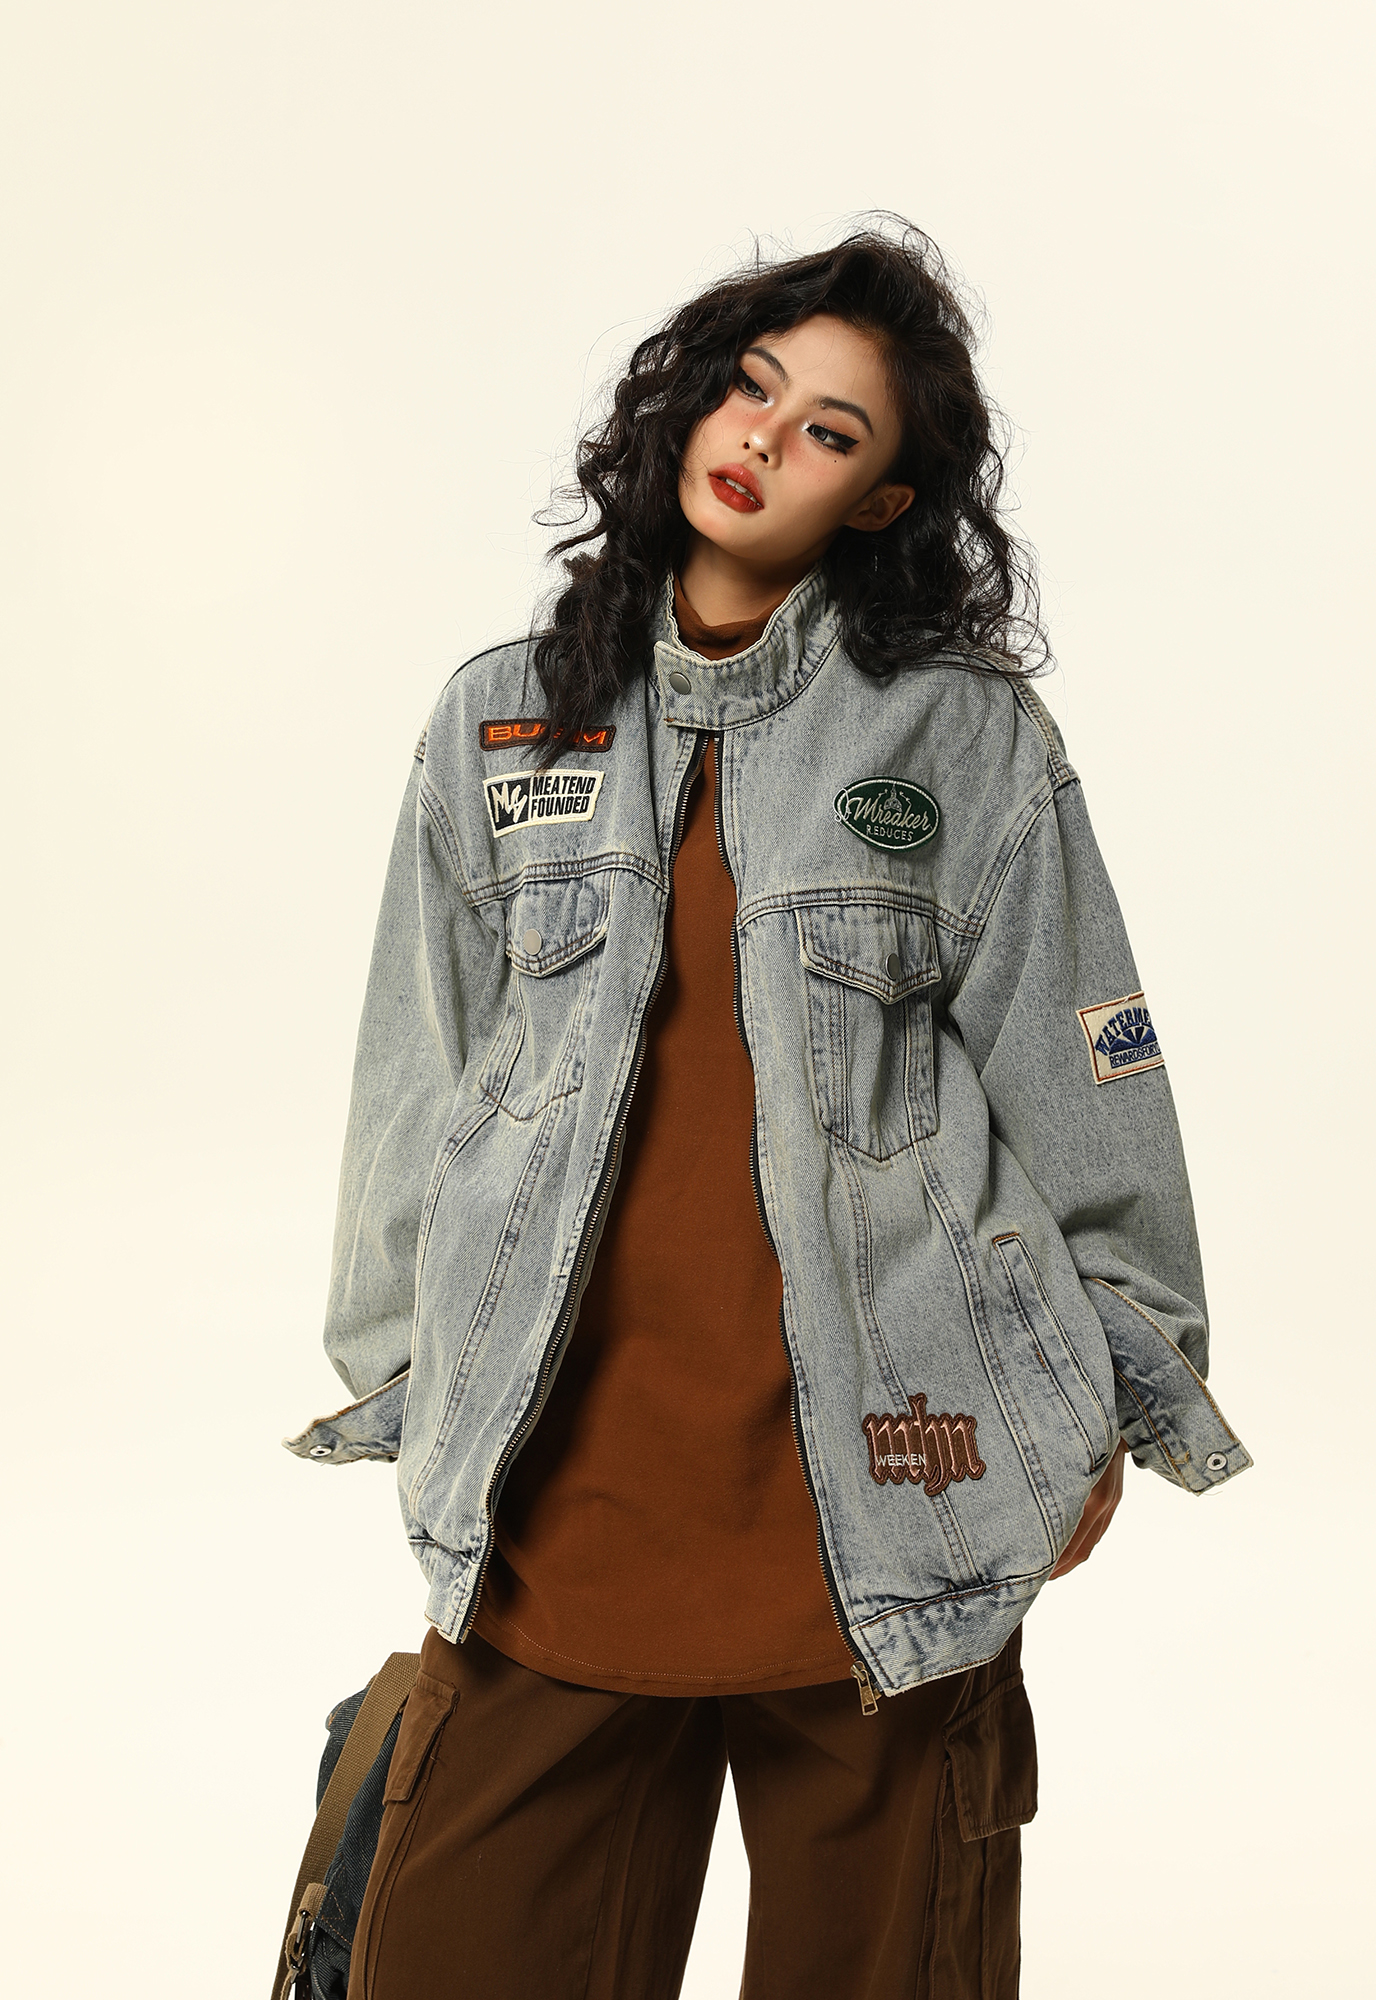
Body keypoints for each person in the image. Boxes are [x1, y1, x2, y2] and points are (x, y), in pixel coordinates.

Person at [285, 221, 1250, 1999]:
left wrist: (1111, 1380)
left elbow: (1086, 1064)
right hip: (562, 1508)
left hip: (898, 1505)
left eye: (831, 431)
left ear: (880, 502)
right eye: (753, 386)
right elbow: (412, 1078)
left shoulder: (963, 739)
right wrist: (411, 1388)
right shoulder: (500, 720)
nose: (764, 438)